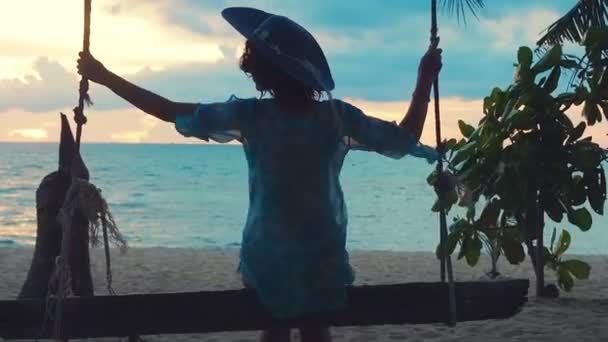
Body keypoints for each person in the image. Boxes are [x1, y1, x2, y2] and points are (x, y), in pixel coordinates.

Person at [77, 6, 442, 342]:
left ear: (263, 71)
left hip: (267, 252)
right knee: (318, 335)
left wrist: (106, 77)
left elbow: (169, 110)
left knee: (274, 333)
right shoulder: (336, 118)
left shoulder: (252, 116)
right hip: (321, 254)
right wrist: (424, 79)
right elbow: (404, 138)